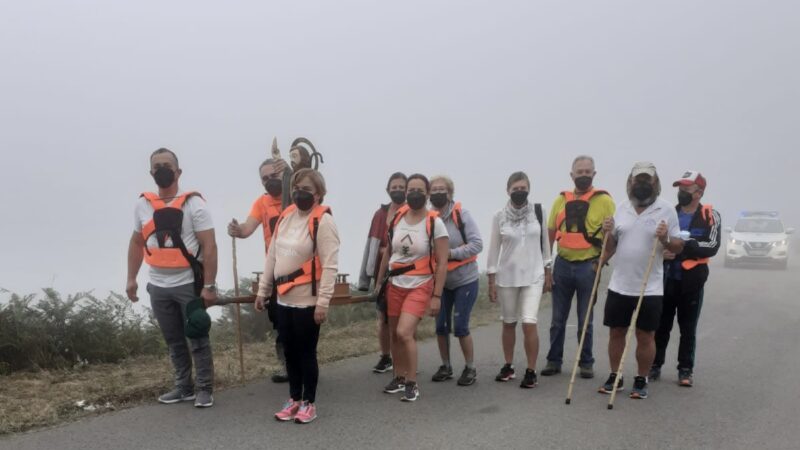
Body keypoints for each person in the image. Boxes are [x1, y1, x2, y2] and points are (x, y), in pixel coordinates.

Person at [126, 148, 218, 408]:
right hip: (158, 285)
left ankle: (204, 389)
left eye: (167, 165)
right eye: (157, 166)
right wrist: (131, 278)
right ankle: (183, 387)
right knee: (173, 339)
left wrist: (209, 286)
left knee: (197, 336)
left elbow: (209, 246)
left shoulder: (194, 204)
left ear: (178, 172)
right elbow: (136, 242)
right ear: (151, 173)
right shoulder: (142, 205)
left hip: (189, 284)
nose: (162, 169)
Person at [255, 169, 340, 424]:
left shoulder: (323, 221)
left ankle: (309, 402)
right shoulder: (287, 216)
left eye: (306, 189)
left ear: (318, 194)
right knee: (289, 351)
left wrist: (323, 302)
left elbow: (330, 266)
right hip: (283, 299)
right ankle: (293, 398)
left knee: (306, 353)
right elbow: (272, 255)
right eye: (296, 188)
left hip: (308, 302)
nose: (300, 193)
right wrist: (263, 290)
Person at [598, 162, 684, 400]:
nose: (642, 184)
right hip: (619, 284)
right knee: (616, 332)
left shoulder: (666, 210)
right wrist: (607, 234)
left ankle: (641, 377)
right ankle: (615, 375)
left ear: (655, 183)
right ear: (630, 182)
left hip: (650, 286)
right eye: (638, 180)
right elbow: (612, 244)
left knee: (645, 335)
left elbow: (678, 246)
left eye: (647, 180)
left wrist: (665, 238)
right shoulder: (621, 208)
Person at [375, 174, 449, 402]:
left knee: (404, 333)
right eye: (410, 190)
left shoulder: (434, 222)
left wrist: (436, 295)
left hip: (420, 284)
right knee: (394, 334)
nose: (413, 194)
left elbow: (443, 261)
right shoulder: (398, 217)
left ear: (427, 194)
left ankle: (411, 382)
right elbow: (389, 252)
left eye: (419, 190)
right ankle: (398, 377)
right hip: (395, 283)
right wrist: (379, 282)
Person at [543, 156, 615, 379]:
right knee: (557, 320)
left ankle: (585, 362)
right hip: (562, 264)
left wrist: (600, 263)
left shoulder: (605, 201)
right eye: (579, 172)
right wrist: (547, 268)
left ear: (594, 174)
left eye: (587, 172)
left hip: (588, 265)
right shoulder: (560, 200)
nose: (583, 175)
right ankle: (554, 361)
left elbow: (613, 240)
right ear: (571, 175)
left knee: (585, 319)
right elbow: (549, 236)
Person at [651, 171, 721, 387]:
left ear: (698, 193)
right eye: (680, 188)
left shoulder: (710, 215)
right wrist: (664, 252)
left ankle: (685, 369)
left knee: (687, 328)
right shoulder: (669, 212)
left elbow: (712, 246)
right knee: (661, 325)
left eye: (686, 189)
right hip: (666, 278)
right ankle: (654, 365)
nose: (681, 193)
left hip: (692, 281)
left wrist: (682, 247)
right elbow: (655, 241)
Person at [228, 158, 291, 383]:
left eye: (273, 176)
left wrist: (292, 171)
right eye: (264, 178)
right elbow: (248, 228)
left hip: (302, 271)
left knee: (302, 320)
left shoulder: (296, 195)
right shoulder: (261, 203)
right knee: (280, 320)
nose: (269, 181)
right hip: (274, 271)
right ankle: (287, 365)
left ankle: (305, 362)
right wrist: (237, 229)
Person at [487, 171, 552, 389]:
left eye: (523, 188)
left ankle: (531, 370)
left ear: (529, 189)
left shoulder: (539, 212)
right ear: (508, 190)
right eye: (516, 189)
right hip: (507, 277)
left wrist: (548, 270)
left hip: (533, 276)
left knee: (529, 322)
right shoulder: (499, 216)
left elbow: (546, 244)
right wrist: (491, 279)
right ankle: (508, 365)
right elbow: (494, 249)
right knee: (508, 323)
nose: (520, 192)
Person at [428, 175, 483, 386]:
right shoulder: (427, 218)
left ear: (450, 193)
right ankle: (446, 366)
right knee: (441, 326)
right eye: (434, 189)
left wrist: (450, 253)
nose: (438, 193)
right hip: (441, 282)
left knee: (460, 326)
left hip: (465, 279)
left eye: (442, 189)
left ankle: (470, 368)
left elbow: (477, 244)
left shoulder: (461, 215)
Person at [358, 172, 408, 373]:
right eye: (393, 187)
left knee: (402, 319)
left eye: (400, 187)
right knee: (383, 318)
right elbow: (370, 245)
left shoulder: (412, 211)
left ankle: (404, 358)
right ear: (388, 190)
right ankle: (386, 356)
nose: (397, 190)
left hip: (405, 273)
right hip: (382, 272)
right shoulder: (380, 215)